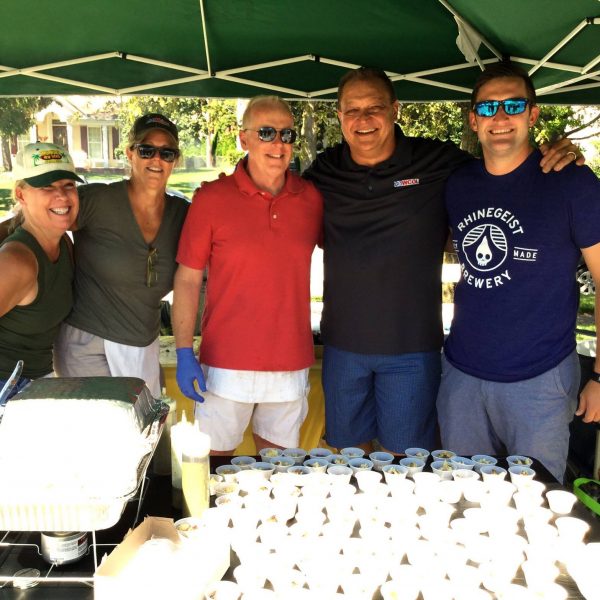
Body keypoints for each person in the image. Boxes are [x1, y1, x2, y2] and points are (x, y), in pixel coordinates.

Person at [303, 67, 583, 454]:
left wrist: (559, 152)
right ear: (339, 116)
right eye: (352, 110)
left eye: (375, 108)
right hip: (342, 345)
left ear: (395, 110)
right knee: (347, 456)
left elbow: (504, 160)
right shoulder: (323, 171)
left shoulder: (438, 162)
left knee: (406, 464)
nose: (363, 119)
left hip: (413, 347)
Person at [437, 62, 600, 482]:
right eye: (488, 108)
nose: (501, 117)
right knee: (460, 503)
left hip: (540, 382)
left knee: (538, 510)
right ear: (473, 120)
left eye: (513, 105)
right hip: (463, 380)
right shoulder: (458, 183)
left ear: (533, 114)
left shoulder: (572, 182)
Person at [173, 96, 323, 453]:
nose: (278, 143)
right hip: (225, 362)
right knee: (212, 470)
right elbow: (187, 278)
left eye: (286, 134)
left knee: (280, 476)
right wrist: (182, 351)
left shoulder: (311, 199)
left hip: (289, 361)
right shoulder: (211, 198)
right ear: (244, 139)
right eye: (266, 132)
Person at [54, 114, 189, 398]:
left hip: (143, 344)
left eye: (167, 153)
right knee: (98, 437)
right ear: (130, 153)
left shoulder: (182, 214)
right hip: (88, 344)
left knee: (141, 438)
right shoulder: (97, 201)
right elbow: (37, 220)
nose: (157, 159)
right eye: (146, 149)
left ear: (175, 160)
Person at [0, 142, 80, 402]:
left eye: (69, 185)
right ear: (21, 195)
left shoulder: (63, 244)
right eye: (47, 187)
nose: (62, 196)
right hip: (7, 391)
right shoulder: (18, 261)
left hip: (36, 385)